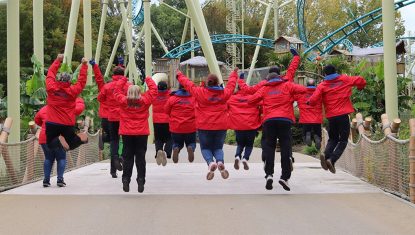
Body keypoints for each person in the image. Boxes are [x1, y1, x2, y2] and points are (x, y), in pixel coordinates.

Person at [248, 67, 307, 191]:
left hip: (269, 121)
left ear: (268, 79)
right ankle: (284, 177)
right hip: (285, 120)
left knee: (270, 147)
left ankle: (269, 174)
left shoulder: (264, 89)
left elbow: (251, 101)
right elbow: (303, 89)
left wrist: (263, 102)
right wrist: (291, 97)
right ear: (279, 77)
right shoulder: (287, 85)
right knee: (286, 147)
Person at [176, 69, 238, 180]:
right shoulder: (224, 93)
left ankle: (210, 163)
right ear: (217, 82)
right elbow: (231, 86)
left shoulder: (200, 92)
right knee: (218, 148)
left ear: (207, 82)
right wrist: (234, 74)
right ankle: (219, 162)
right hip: (220, 126)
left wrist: (179, 75)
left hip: (204, 126)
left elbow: (188, 85)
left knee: (205, 148)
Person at [308, 64, 366, 174]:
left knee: (333, 138)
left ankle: (326, 154)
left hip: (331, 117)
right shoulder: (344, 79)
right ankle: (332, 159)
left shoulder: (322, 85)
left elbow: (314, 99)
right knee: (343, 140)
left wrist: (309, 102)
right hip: (343, 115)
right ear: (335, 71)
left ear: (325, 74)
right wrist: (360, 87)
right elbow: (360, 80)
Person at [113, 75, 157, 193]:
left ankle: (126, 179)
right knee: (140, 158)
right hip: (141, 132)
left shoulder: (123, 101)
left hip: (127, 132)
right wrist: (148, 79)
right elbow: (154, 91)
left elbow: (116, 91)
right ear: (139, 92)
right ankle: (141, 180)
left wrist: (123, 79)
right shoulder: (145, 101)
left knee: (128, 158)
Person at [35, 98, 85, 187]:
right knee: (61, 158)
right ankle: (60, 180)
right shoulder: (65, 108)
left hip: (45, 137)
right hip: (60, 137)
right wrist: (77, 98)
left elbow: (37, 120)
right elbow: (78, 109)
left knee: (48, 158)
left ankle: (46, 180)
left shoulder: (44, 109)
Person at [45, 54, 88, 152]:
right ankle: (81, 138)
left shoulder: (51, 87)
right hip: (66, 123)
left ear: (58, 78)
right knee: (72, 144)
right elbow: (81, 81)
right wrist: (84, 65)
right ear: (69, 80)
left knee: (50, 144)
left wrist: (58, 60)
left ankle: (58, 140)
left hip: (52, 122)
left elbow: (50, 73)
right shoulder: (73, 91)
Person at [97, 59, 129, 178]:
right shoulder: (128, 85)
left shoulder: (107, 86)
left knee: (114, 140)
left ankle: (113, 169)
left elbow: (100, 98)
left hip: (111, 116)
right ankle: (124, 163)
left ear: (114, 75)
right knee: (126, 141)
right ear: (123, 74)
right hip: (124, 117)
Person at [227, 76, 262, 170]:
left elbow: (225, 106)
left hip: (238, 125)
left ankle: (237, 156)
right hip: (251, 125)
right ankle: (245, 159)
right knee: (249, 145)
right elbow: (262, 105)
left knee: (240, 144)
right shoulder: (253, 97)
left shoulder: (232, 98)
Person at [164, 84, 196, 163]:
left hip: (176, 127)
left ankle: (176, 149)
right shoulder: (193, 98)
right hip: (190, 126)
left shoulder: (172, 98)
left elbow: (166, 110)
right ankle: (190, 147)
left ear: (179, 87)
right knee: (191, 142)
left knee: (177, 143)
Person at [294, 78, 323, 150]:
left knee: (306, 131)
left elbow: (292, 98)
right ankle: (317, 137)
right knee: (317, 132)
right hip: (317, 118)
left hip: (305, 118)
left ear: (306, 84)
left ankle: (307, 134)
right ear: (314, 84)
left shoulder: (300, 93)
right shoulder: (319, 93)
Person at [89, 59, 110, 149]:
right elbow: (121, 79)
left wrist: (94, 66)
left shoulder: (103, 89)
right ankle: (116, 153)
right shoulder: (118, 92)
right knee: (116, 135)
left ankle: (105, 139)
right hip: (116, 117)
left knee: (110, 134)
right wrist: (121, 65)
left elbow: (99, 78)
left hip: (105, 117)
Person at [152, 81, 172, 166]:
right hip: (168, 120)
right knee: (170, 138)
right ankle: (167, 152)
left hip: (156, 121)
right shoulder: (170, 94)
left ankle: (158, 151)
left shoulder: (154, 95)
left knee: (158, 138)